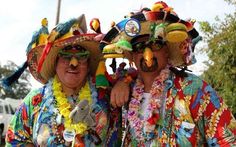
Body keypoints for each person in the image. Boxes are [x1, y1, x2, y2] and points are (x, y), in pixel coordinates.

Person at [100, 2, 236, 146]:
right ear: (132, 56)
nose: (148, 53)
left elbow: (227, 139)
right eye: (139, 47)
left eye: (155, 44)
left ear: (167, 51)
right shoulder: (125, 93)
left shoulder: (193, 88)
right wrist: (123, 81)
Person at [5, 14, 121, 146]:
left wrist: (123, 82)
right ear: (55, 62)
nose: (73, 63)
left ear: (89, 64)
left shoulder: (107, 99)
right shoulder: (35, 101)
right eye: (66, 56)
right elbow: (15, 139)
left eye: (81, 56)